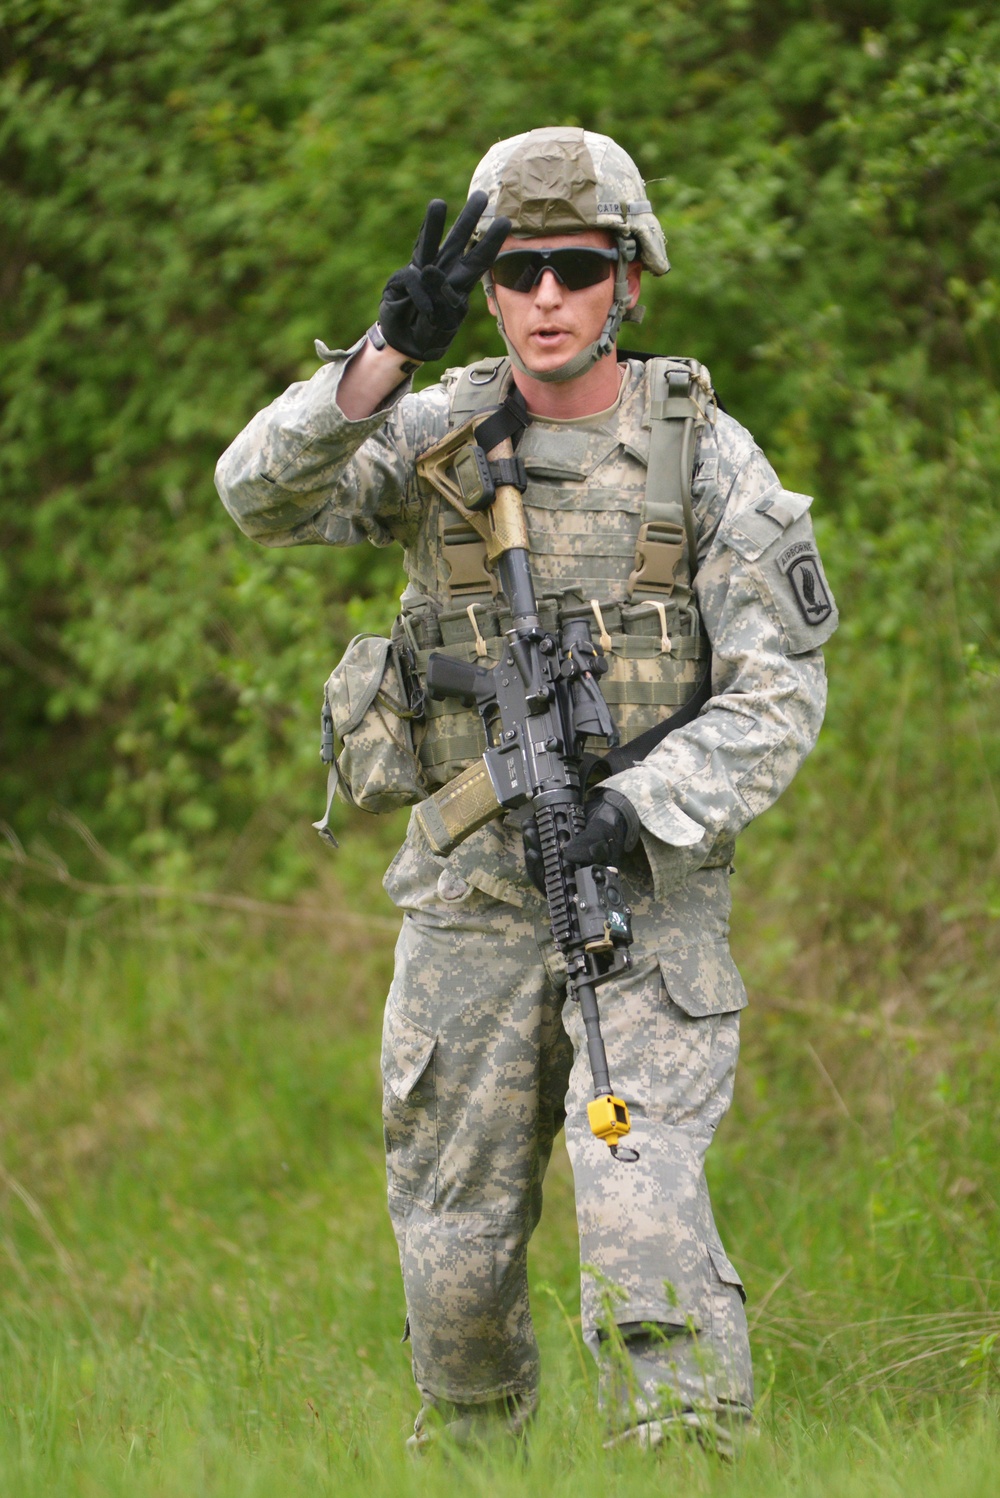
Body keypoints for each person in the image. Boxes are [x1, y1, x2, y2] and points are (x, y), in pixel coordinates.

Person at [215, 126, 837, 1455]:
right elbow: (255, 498)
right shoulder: (433, 432)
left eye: (575, 265)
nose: (546, 295)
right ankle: (479, 1464)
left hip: (640, 897)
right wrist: (379, 361)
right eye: (516, 268)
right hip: (467, 899)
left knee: (638, 1197)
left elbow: (780, 695)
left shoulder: (708, 457)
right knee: (456, 1253)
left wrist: (633, 804)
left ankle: (683, 1459)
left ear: (627, 277)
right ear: (485, 287)